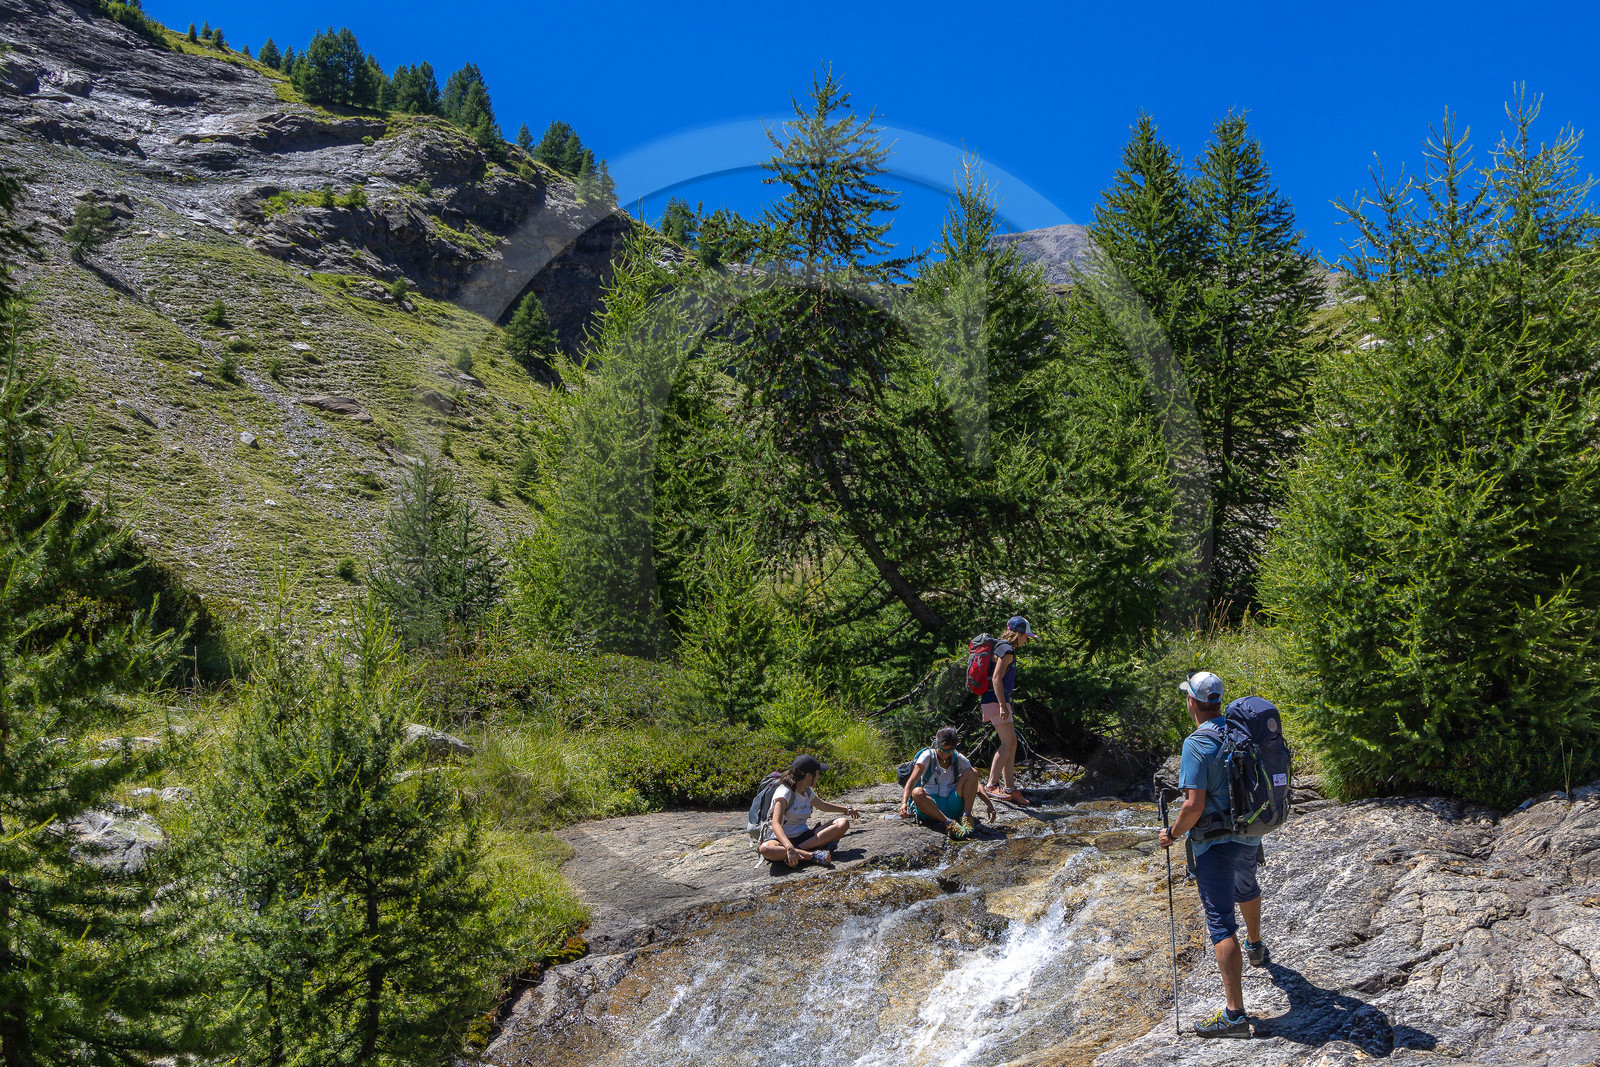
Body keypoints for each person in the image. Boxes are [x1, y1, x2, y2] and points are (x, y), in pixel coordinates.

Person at [1156, 670, 1268, 1039]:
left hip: (1213, 844)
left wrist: (1171, 834)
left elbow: (1193, 805)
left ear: (1192, 702)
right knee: (1247, 886)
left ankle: (1234, 1016)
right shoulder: (1240, 732)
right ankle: (1256, 946)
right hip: (1249, 833)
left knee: (1221, 924)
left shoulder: (1196, 743)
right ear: (1218, 701)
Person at [759, 755, 862, 868]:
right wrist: (788, 846)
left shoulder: (806, 791)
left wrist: (848, 810)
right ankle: (813, 855)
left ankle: (795, 853)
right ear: (808, 775)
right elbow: (775, 824)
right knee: (766, 849)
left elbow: (823, 805)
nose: (818, 776)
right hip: (780, 840)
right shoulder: (784, 793)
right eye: (817, 773)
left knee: (843, 823)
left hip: (803, 836)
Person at [899, 726, 997, 838]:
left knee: (972, 772)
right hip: (930, 807)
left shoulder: (958, 758)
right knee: (917, 792)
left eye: (949, 751)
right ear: (936, 744)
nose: (945, 754)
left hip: (953, 804)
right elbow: (912, 781)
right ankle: (948, 823)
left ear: (955, 747)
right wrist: (904, 802)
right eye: (941, 750)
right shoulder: (927, 756)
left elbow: (976, 782)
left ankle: (966, 816)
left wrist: (989, 804)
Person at [980, 616, 1037, 805]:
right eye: (1026, 637)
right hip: (996, 701)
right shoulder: (1007, 650)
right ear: (1018, 634)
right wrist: (1003, 705)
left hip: (995, 700)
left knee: (1011, 744)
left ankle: (1010, 788)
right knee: (1008, 743)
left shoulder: (1000, 647)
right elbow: (996, 679)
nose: (1026, 640)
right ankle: (991, 785)